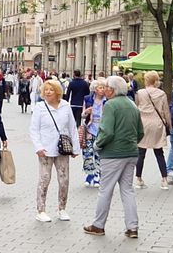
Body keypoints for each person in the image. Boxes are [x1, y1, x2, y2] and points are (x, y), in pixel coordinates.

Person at [84, 76, 144, 238]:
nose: (106, 90)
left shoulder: (111, 105)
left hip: (112, 154)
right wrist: (131, 143)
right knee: (127, 190)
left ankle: (98, 225)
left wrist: (97, 145)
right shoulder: (132, 104)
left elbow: (107, 131)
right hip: (131, 152)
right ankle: (132, 227)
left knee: (105, 190)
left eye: (107, 87)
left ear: (113, 90)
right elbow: (140, 132)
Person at [29, 80, 81, 222]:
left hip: (62, 148)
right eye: (46, 90)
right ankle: (41, 210)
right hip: (45, 148)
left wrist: (75, 148)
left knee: (64, 179)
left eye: (51, 90)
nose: (48, 92)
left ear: (58, 92)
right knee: (44, 179)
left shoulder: (65, 106)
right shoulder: (40, 107)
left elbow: (72, 128)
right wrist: (38, 147)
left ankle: (62, 208)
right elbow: (34, 129)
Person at [134, 71, 170, 190]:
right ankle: (164, 179)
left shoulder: (140, 93)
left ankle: (138, 179)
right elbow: (165, 111)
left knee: (141, 153)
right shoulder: (161, 94)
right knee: (159, 152)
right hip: (157, 124)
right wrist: (169, 125)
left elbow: (136, 108)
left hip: (143, 124)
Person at [81, 78, 106, 187]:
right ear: (95, 89)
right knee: (88, 153)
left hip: (101, 130)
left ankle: (97, 175)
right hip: (90, 129)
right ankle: (89, 174)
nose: (102, 90)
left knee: (98, 154)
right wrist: (86, 112)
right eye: (100, 87)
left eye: (104, 87)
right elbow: (82, 115)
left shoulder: (107, 101)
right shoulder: (88, 99)